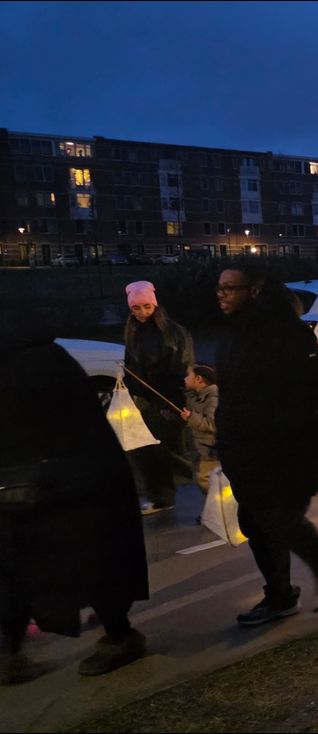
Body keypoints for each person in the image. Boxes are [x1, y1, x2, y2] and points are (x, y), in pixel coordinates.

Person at [1, 335, 149, 682]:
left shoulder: (37, 365)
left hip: (67, 488)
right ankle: (10, 648)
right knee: (16, 568)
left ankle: (120, 636)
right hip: (42, 485)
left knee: (88, 565)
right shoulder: (42, 360)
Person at [214, 264, 318, 625]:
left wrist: (275, 430)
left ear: (254, 290)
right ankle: (282, 596)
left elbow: (309, 390)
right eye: (220, 288)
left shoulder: (287, 334)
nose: (222, 294)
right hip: (246, 450)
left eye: (230, 287)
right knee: (257, 523)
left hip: (281, 451)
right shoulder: (237, 333)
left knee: (277, 518)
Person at [122, 280, 194, 516]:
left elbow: (182, 368)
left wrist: (171, 402)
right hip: (143, 400)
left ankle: (215, 480)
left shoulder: (173, 332)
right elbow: (132, 365)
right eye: (136, 308)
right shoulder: (132, 331)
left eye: (146, 306)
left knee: (171, 451)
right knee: (145, 450)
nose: (142, 312)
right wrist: (130, 386)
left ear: (155, 305)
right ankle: (161, 498)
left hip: (168, 399)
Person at [180, 364, 220, 510]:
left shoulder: (212, 397)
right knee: (202, 479)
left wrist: (191, 417)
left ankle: (219, 511)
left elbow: (212, 425)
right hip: (199, 447)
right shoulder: (194, 396)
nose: (185, 378)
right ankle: (211, 511)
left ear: (199, 379)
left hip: (209, 448)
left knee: (206, 480)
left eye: (188, 375)